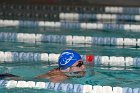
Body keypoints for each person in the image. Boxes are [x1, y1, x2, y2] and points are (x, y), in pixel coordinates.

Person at [0, 50, 86, 83]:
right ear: (68, 68)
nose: (83, 67)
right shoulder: (59, 77)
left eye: (82, 63)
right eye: (79, 64)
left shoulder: (62, 71)